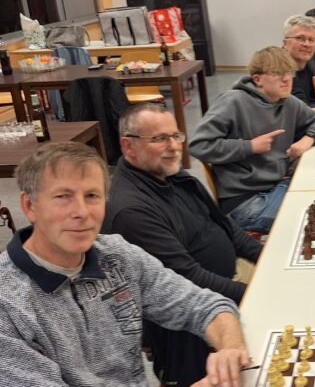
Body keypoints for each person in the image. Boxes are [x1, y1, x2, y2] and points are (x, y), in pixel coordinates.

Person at [1, 141, 250, 386]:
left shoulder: (118, 255)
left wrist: (230, 348)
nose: (82, 212)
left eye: (92, 196)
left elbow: (204, 305)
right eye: (63, 196)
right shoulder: (8, 304)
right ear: (29, 206)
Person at [102, 104, 262, 386]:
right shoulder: (132, 212)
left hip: (226, 289)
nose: (174, 146)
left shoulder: (173, 175)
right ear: (128, 146)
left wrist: (267, 259)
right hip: (192, 331)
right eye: (160, 139)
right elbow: (189, 279)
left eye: (176, 136)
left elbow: (228, 229)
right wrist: (256, 293)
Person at [189, 46, 315, 233]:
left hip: (276, 185)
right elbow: (198, 145)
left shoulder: (288, 102)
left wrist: (308, 139)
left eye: (289, 72)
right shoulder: (233, 102)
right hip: (244, 201)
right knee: (309, 218)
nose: (287, 79)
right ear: (257, 79)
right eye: (278, 73)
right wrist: (249, 146)